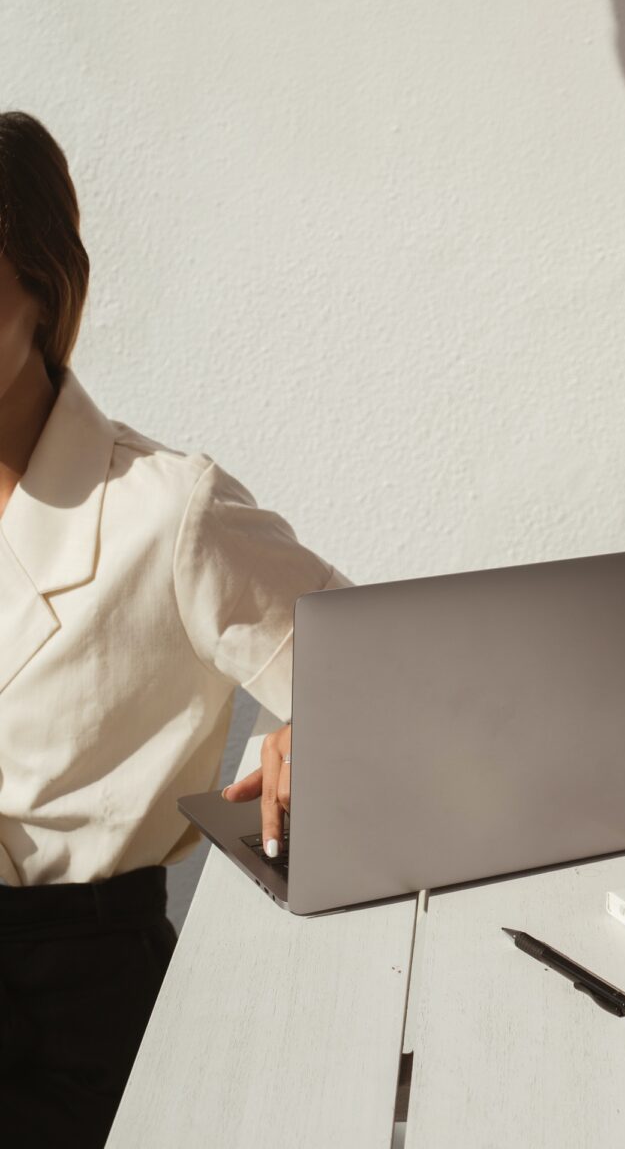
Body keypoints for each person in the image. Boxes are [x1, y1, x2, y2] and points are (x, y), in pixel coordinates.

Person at [0, 110, 351, 1147]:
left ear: (40, 285)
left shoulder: (166, 511)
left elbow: (388, 678)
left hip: (73, 1017)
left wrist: (316, 725)